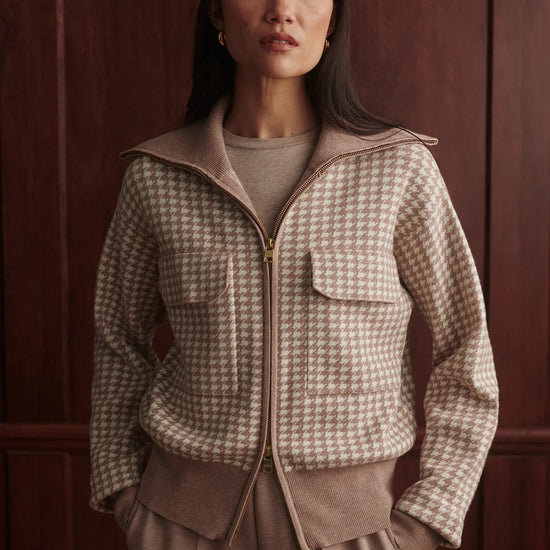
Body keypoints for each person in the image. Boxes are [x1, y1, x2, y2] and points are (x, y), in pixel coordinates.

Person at [88, 1, 499, 549]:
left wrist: (429, 518)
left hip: (356, 530)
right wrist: (122, 490)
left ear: (333, 21)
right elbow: (118, 341)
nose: (282, 10)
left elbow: (465, 344)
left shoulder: (397, 170)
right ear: (217, 13)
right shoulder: (158, 176)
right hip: (179, 524)